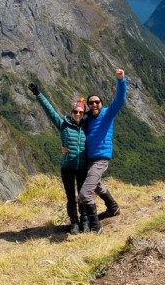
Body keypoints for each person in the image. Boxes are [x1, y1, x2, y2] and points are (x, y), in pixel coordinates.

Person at [28, 83, 88, 234]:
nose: (78, 114)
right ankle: (74, 223)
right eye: (75, 111)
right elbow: (50, 111)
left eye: (81, 112)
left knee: (83, 196)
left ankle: (85, 221)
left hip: (82, 167)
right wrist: (38, 94)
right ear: (71, 112)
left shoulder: (88, 126)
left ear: (84, 114)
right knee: (71, 197)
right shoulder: (63, 125)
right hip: (67, 167)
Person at [78, 68, 127, 234]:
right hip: (89, 159)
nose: (94, 105)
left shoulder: (107, 114)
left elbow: (120, 99)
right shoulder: (86, 118)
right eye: (91, 103)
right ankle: (113, 208)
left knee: (85, 193)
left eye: (97, 102)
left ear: (101, 103)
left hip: (100, 159)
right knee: (97, 185)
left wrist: (121, 80)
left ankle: (96, 227)